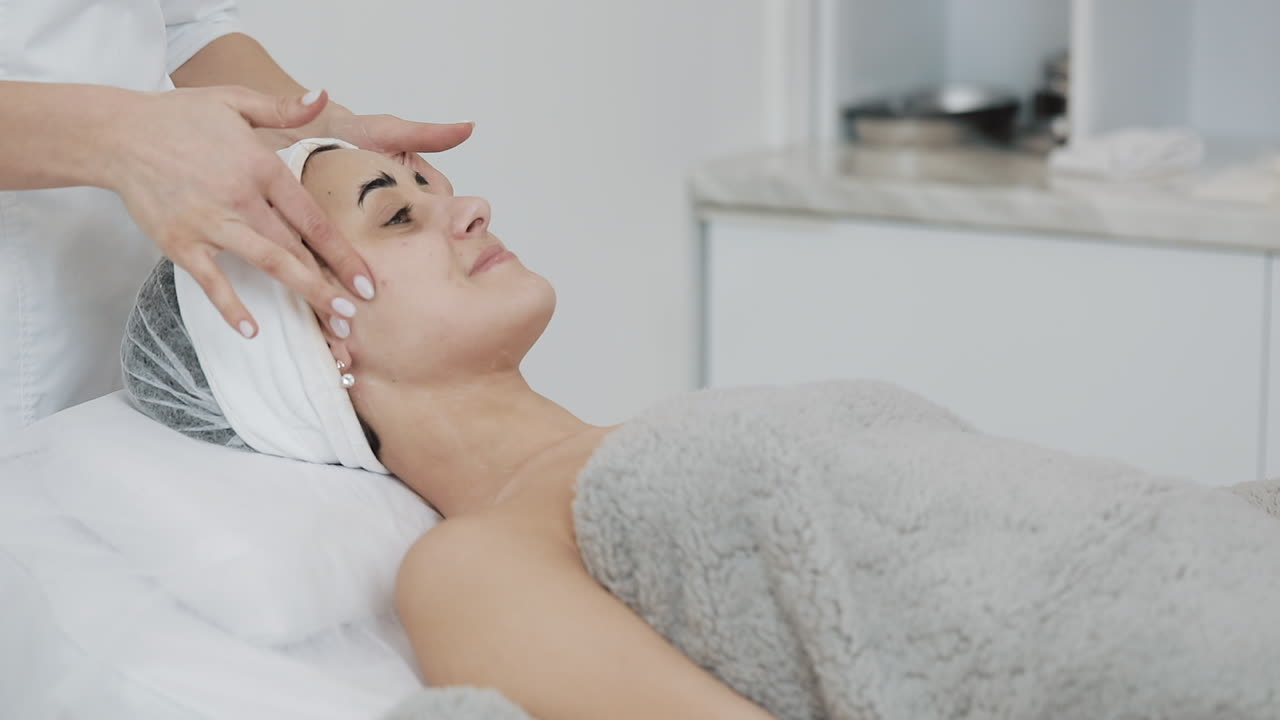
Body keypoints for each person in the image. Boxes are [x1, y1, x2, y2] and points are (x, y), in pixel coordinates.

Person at [122, 140, 779, 720]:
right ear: (322, 341)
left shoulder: (662, 436)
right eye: (400, 215)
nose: (473, 208)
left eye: (433, 191)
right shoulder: (468, 572)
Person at [0, 1, 472, 433]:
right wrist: (113, 135)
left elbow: (187, 25)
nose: (475, 210)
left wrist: (311, 128)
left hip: (112, 307)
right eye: (397, 216)